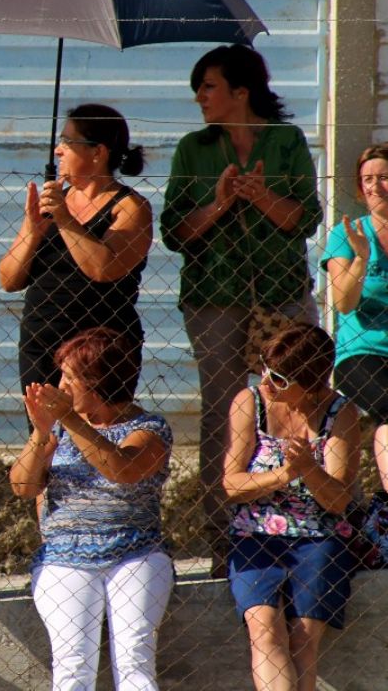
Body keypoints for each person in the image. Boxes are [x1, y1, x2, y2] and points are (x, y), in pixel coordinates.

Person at [160, 44, 323, 571]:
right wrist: (222, 202)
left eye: (208, 87)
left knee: (298, 400)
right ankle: (224, 534)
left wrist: (260, 197)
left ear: (241, 91)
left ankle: (304, 519)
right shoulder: (193, 149)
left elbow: (305, 220)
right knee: (223, 412)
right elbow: (175, 232)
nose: (199, 98)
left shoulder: (286, 143)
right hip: (215, 296)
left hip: (281, 293)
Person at [9, 327, 173, 691]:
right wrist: (40, 433)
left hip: (136, 552)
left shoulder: (148, 428)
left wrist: (67, 419)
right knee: (72, 665)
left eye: (70, 377)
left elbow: (122, 470)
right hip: (63, 556)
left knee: (135, 660)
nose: (60, 387)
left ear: (100, 381)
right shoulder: (62, 428)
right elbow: (22, 486)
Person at [222, 324, 361, 691]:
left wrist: (310, 470)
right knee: (265, 632)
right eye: (266, 370)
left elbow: (338, 499)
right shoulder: (249, 402)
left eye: (280, 378)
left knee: (302, 638)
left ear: (311, 380)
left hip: (318, 536)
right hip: (255, 533)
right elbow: (232, 485)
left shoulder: (340, 413)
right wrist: (285, 474)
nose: (267, 381)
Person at [0, 103, 152, 391]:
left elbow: (103, 268)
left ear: (98, 152)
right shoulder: (53, 202)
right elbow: (8, 280)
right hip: (41, 345)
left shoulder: (130, 207)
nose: (58, 150)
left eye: (68, 142)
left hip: (100, 354)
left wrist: (65, 221)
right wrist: (32, 231)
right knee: (46, 434)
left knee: (95, 432)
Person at [322, 144, 388, 494]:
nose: (375, 186)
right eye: (367, 179)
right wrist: (361, 259)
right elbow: (344, 303)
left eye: (384, 177)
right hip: (362, 352)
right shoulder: (345, 235)